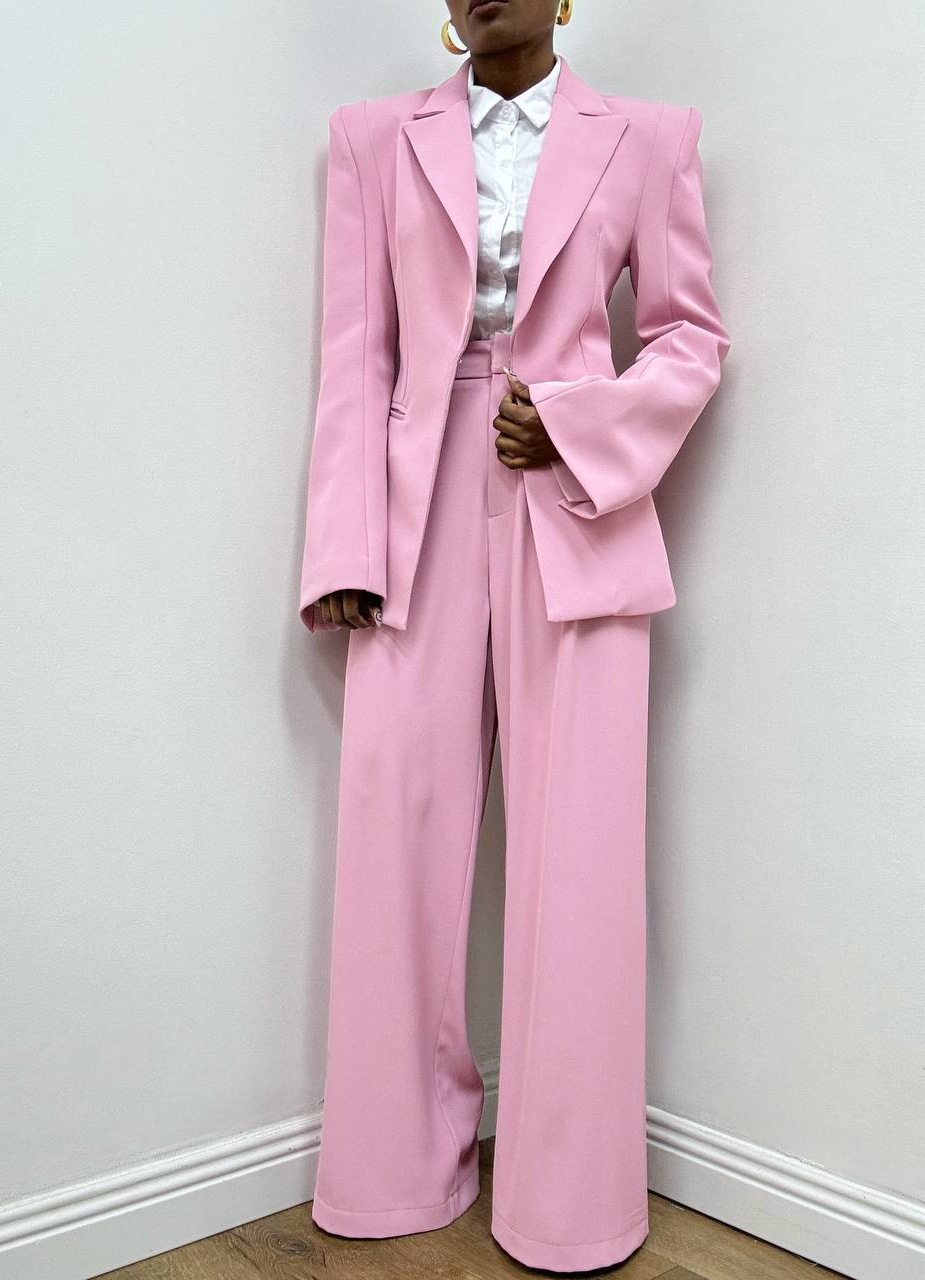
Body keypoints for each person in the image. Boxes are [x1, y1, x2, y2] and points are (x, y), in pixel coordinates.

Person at [298, 0, 730, 1271]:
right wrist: (343, 549)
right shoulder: (371, 138)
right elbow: (355, 355)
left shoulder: (651, 137)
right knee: (396, 832)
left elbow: (690, 336)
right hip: (414, 509)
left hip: (575, 502)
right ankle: (391, 1169)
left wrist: (583, 422)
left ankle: (568, 1197)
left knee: (578, 853)